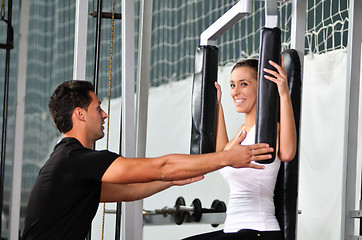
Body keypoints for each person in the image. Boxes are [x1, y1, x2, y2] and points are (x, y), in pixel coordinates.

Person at [22, 80, 274, 240]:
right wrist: (226, 158)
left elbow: (129, 191)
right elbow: (162, 166)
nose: (105, 114)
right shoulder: (74, 159)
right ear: (80, 114)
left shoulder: (69, 164)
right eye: (98, 108)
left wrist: (172, 182)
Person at [182, 58, 297, 240]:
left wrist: (283, 93)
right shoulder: (242, 132)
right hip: (233, 229)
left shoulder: (270, 130)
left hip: (259, 230)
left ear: (262, 87)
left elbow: (288, 153)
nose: (235, 91)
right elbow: (221, 156)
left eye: (243, 84)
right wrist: (217, 104)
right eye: (232, 85)